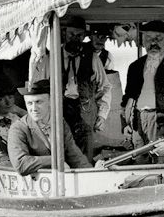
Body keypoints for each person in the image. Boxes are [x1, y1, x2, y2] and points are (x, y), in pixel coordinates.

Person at [33, 14, 111, 155]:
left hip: (85, 113)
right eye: (71, 34)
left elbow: (105, 87)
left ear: (84, 37)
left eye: (79, 35)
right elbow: (39, 89)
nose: (75, 38)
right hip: (59, 111)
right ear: (64, 33)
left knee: (85, 150)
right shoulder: (51, 58)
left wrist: (102, 115)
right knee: (60, 150)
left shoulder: (92, 57)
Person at [7, 79, 92, 176]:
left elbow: (75, 156)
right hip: (34, 186)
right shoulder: (18, 128)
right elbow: (21, 164)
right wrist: (55, 161)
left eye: (38, 102)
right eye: (29, 103)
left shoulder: (59, 123)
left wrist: (93, 173)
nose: (34, 108)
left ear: (50, 101)